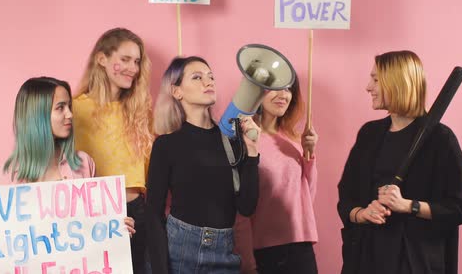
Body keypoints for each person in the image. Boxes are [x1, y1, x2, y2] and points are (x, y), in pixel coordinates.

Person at [0, 77, 134, 246]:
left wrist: (119, 225)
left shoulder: (83, 164)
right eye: (60, 107)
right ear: (37, 116)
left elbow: (100, 224)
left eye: (69, 106)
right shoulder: (9, 176)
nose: (70, 114)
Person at [337, 51, 462, 274]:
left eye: (376, 79)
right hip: (365, 257)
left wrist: (409, 206)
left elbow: (460, 208)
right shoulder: (369, 134)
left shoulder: (440, 139)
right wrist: (362, 213)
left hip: (415, 261)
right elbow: (346, 196)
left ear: (398, 83)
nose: (368, 87)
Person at [146, 56, 261, 273]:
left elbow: (247, 206)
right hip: (179, 251)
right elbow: (153, 212)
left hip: (225, 253)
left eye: (211, 77)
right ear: (176, 91)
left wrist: (252, 152)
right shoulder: (165, 145)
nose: (208, 82)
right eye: (197, 77)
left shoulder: (232, 141)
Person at [73, 28, 153, 273]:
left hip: (137, 211)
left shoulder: (140, 111)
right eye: (125, 59)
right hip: (93, 214)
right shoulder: (75, 110)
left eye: (137, 61)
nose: (133, 68)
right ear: (102, 59)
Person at [234, 74, 319, 273]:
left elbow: (307, 197)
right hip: (264, 251)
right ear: (257, 91)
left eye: (289, 89)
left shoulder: (294, 140)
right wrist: (247, 261)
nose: (284, 95)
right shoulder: (243, 141)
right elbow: (240, 210)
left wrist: (310, 155)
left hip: (301, 246)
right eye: (277, 88)